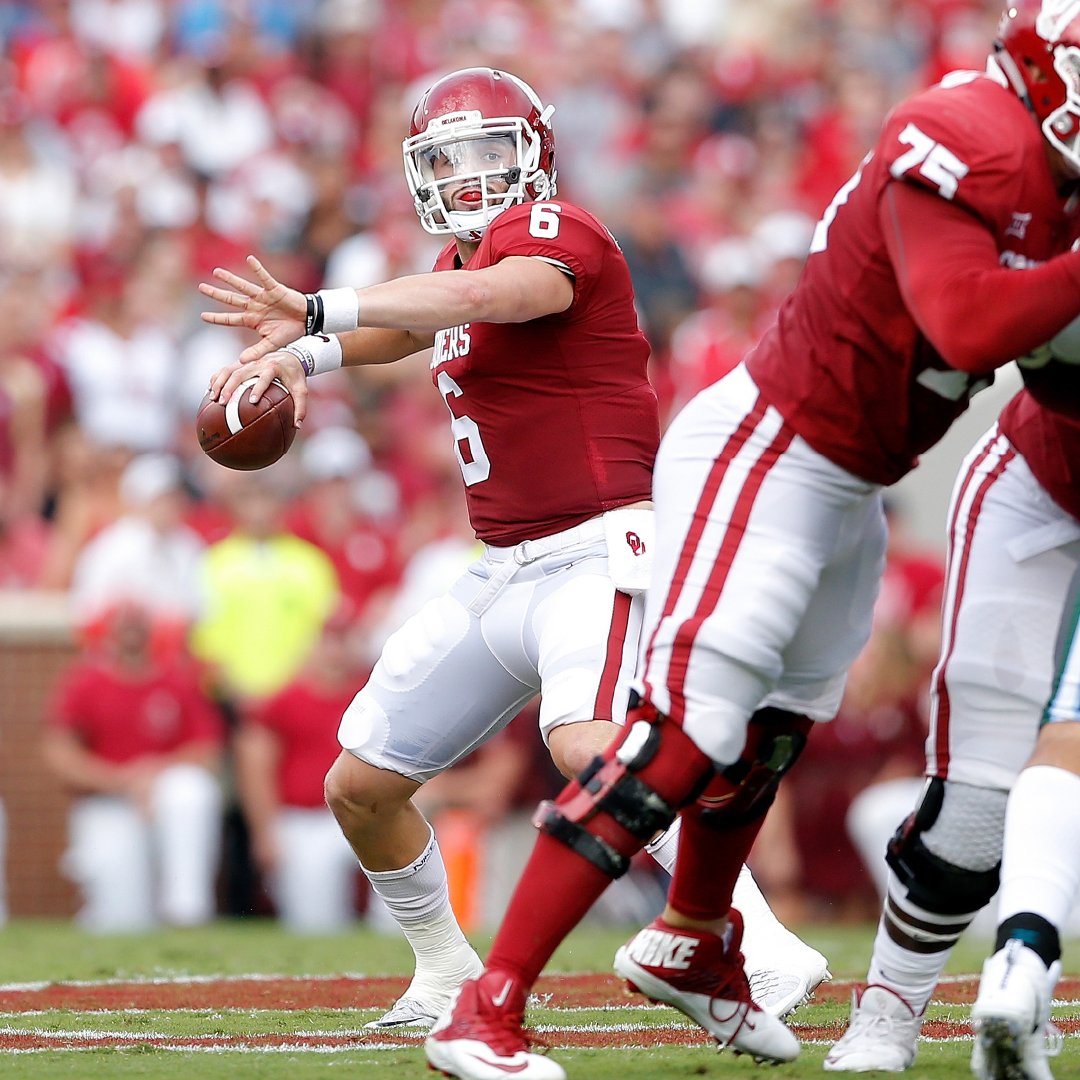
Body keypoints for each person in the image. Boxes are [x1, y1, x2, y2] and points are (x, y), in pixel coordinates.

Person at [407, 5, 1080, 1076]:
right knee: (676, 736)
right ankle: (487, 1007)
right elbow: (963, 322)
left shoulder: (1049, 172)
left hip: (860, 475)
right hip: (770, 447)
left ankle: (693, 941)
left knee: (766, 737)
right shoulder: (967, 134)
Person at [200, 66, 827, 1032]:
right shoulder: (452, 270)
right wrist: (301, 353)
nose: (466, 172)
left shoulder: (555, 232)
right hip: (508, 565)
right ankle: (446, 971)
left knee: (585, 741)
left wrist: (327, 306)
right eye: (445, 157)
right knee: (360, 785)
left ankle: (758, 947)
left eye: (488, 149)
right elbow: (421, 324)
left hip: (604, 545)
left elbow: (504, 295)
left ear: (533, 149)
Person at [42, 600, 225, 932]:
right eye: (124, 624)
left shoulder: (177, 682)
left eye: (138, 623)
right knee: (120, 919)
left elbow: (208, 752)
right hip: (107, 803)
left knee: (190, 790)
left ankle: (187, 909)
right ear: (108, 631)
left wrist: (154, 773)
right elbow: (59, 754)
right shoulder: (84, 682)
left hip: (161, 797)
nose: (131, 632)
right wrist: (121, 781)